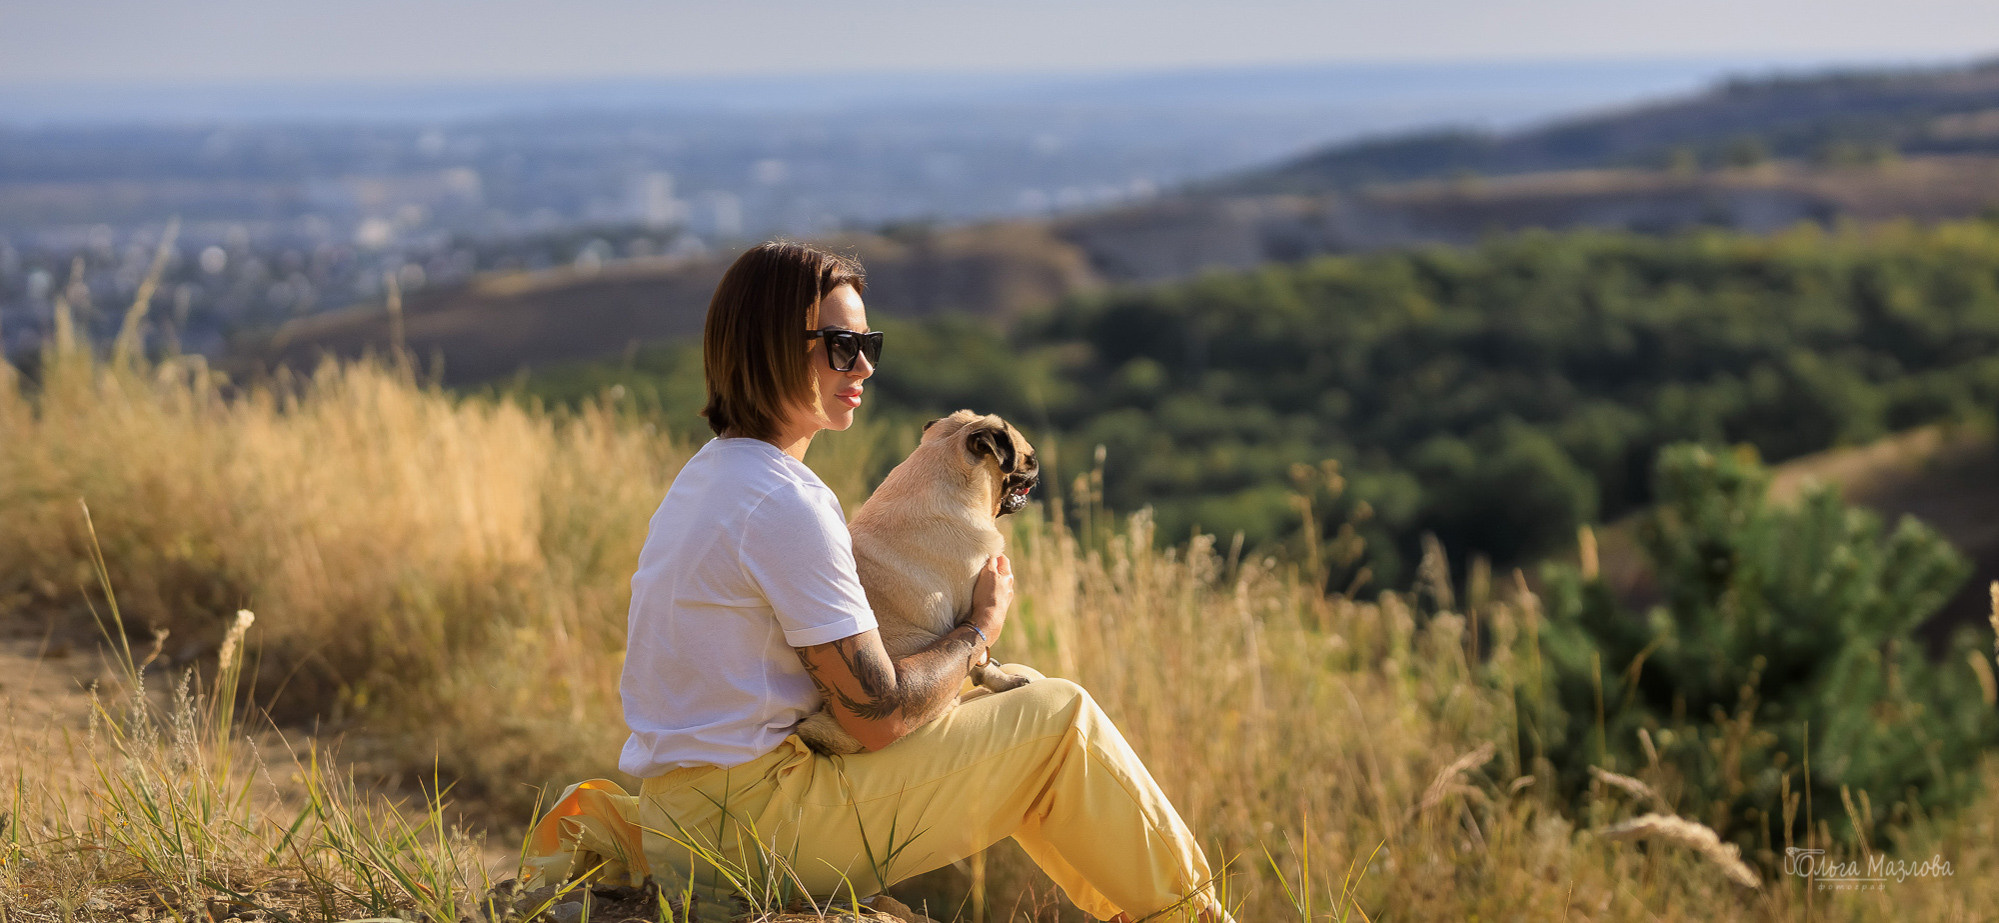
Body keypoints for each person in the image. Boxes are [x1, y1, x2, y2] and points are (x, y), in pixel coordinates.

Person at [523, 241, 1231, 923]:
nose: (862, 366)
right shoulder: (784, 501)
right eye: (840, 345)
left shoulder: (708, 474)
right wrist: (979, 630)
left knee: (1021, 711)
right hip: (754, 832)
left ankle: (1139, 908)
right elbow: (878, 713)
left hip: (682, 818)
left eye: (870, 345)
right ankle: (1192, 917)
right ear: (771, 344)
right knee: (1058, 720)